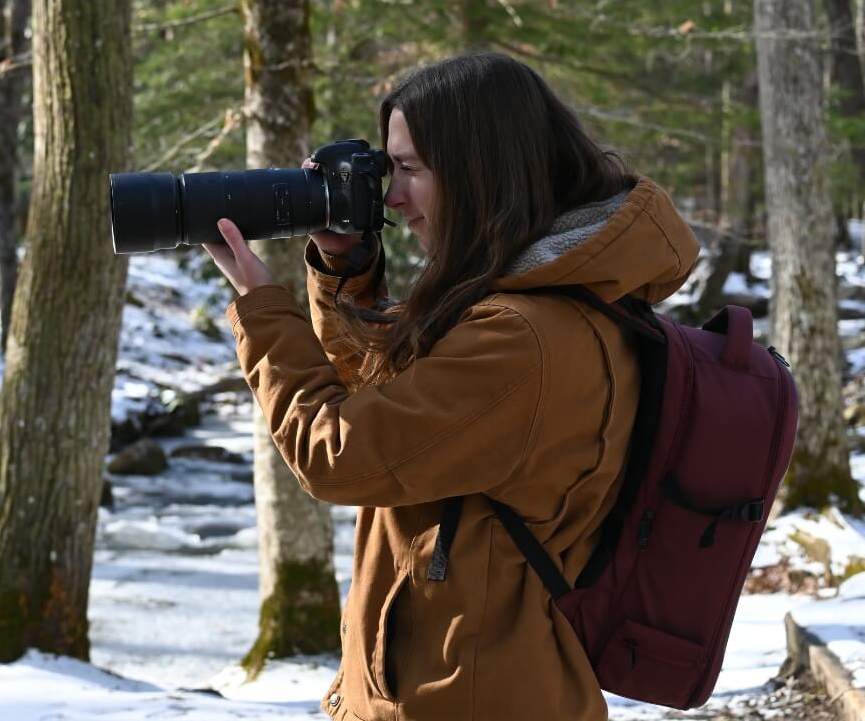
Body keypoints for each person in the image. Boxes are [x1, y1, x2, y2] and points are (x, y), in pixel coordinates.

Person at [202, 52, 700, 721]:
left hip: (464, 694)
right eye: (389, 169)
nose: (394, 196)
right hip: (479, 681)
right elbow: (391, 408)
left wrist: (264, 308)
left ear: (480, 170)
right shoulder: (547, 303)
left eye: (409, 170)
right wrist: (343, 271)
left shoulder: (520, 339)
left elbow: (342, 454)